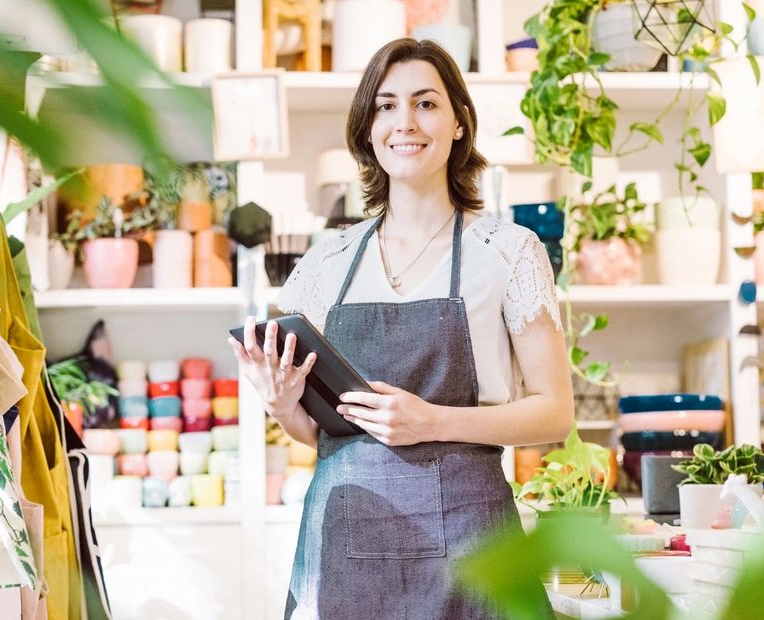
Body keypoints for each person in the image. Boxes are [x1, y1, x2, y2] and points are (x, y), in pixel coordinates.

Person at [227, 38, 575, 619]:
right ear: (367, 130)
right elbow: (321, 436)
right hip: (345, 549)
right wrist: (286, 406)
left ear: (460, 123)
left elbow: (554, 412)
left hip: (474, 547)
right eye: (385, 106)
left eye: (426, 103)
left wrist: (433, 421)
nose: (404, 122)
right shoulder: (325, 265)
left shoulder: (509, 251)